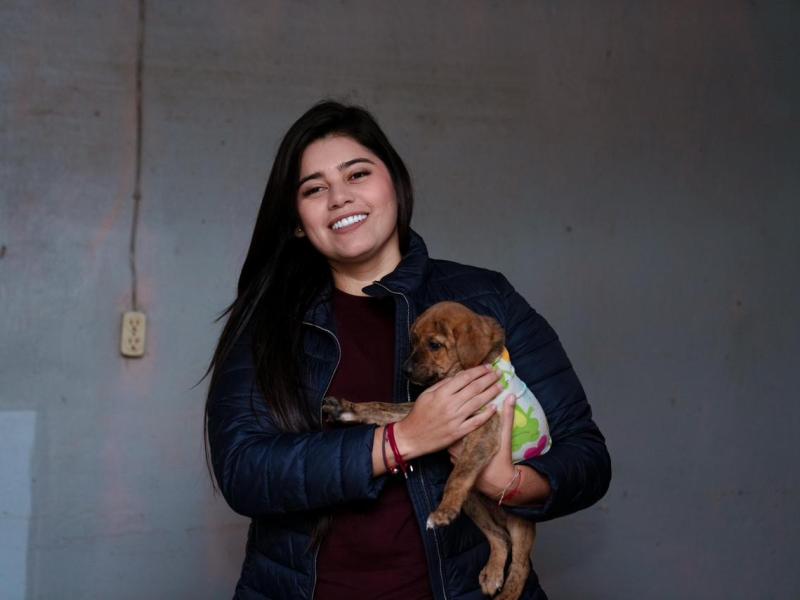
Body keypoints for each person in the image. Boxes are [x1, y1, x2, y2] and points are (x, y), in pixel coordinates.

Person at [204, 100, 611, 600]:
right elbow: (244, 472)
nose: (339, 197)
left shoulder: (485, 300)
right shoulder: (267, 323)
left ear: (394, 183)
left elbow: (587, 457)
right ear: (296, 220)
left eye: (357, 173)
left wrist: (507, 482)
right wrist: (400, 441)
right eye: (314, 188)